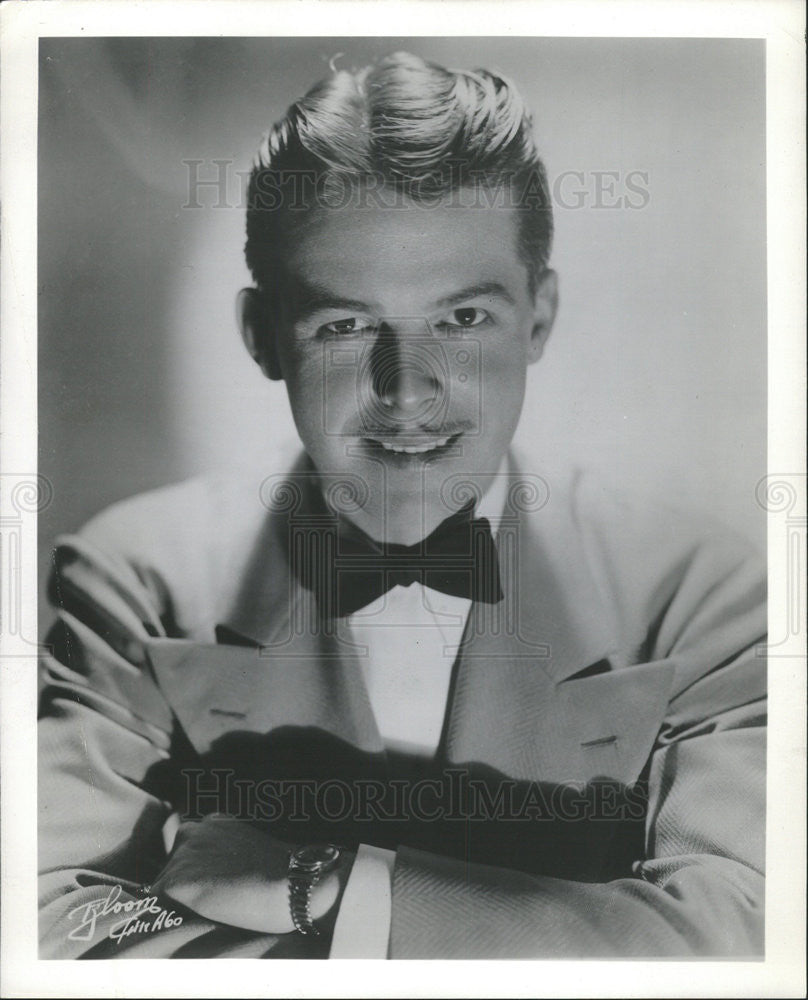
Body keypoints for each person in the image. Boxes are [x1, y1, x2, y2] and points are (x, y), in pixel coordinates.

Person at [38, 51, 766, 959]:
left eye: (463, 320)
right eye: (345, 325)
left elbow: (741, 944)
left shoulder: (703, 598)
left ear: (539, 317)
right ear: (264, 338)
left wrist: (335, 889)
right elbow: (48, 929)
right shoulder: (140, 579)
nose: (409, 390)